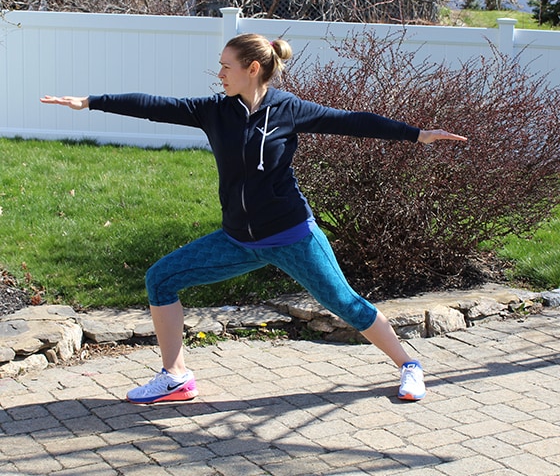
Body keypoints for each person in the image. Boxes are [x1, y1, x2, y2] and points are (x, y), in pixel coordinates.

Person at [41, 33, 467, 405]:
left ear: (253, 68)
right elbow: (156, 106)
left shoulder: (288, 110)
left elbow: (350, 122)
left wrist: (417, 134)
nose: (220, 75)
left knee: (345, 304)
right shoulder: (214, 110)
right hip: (238, 240)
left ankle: (410, 364)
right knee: (161, 278)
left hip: (292, 235)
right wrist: (92, 102)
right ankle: (176, 377)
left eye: (226, 67)